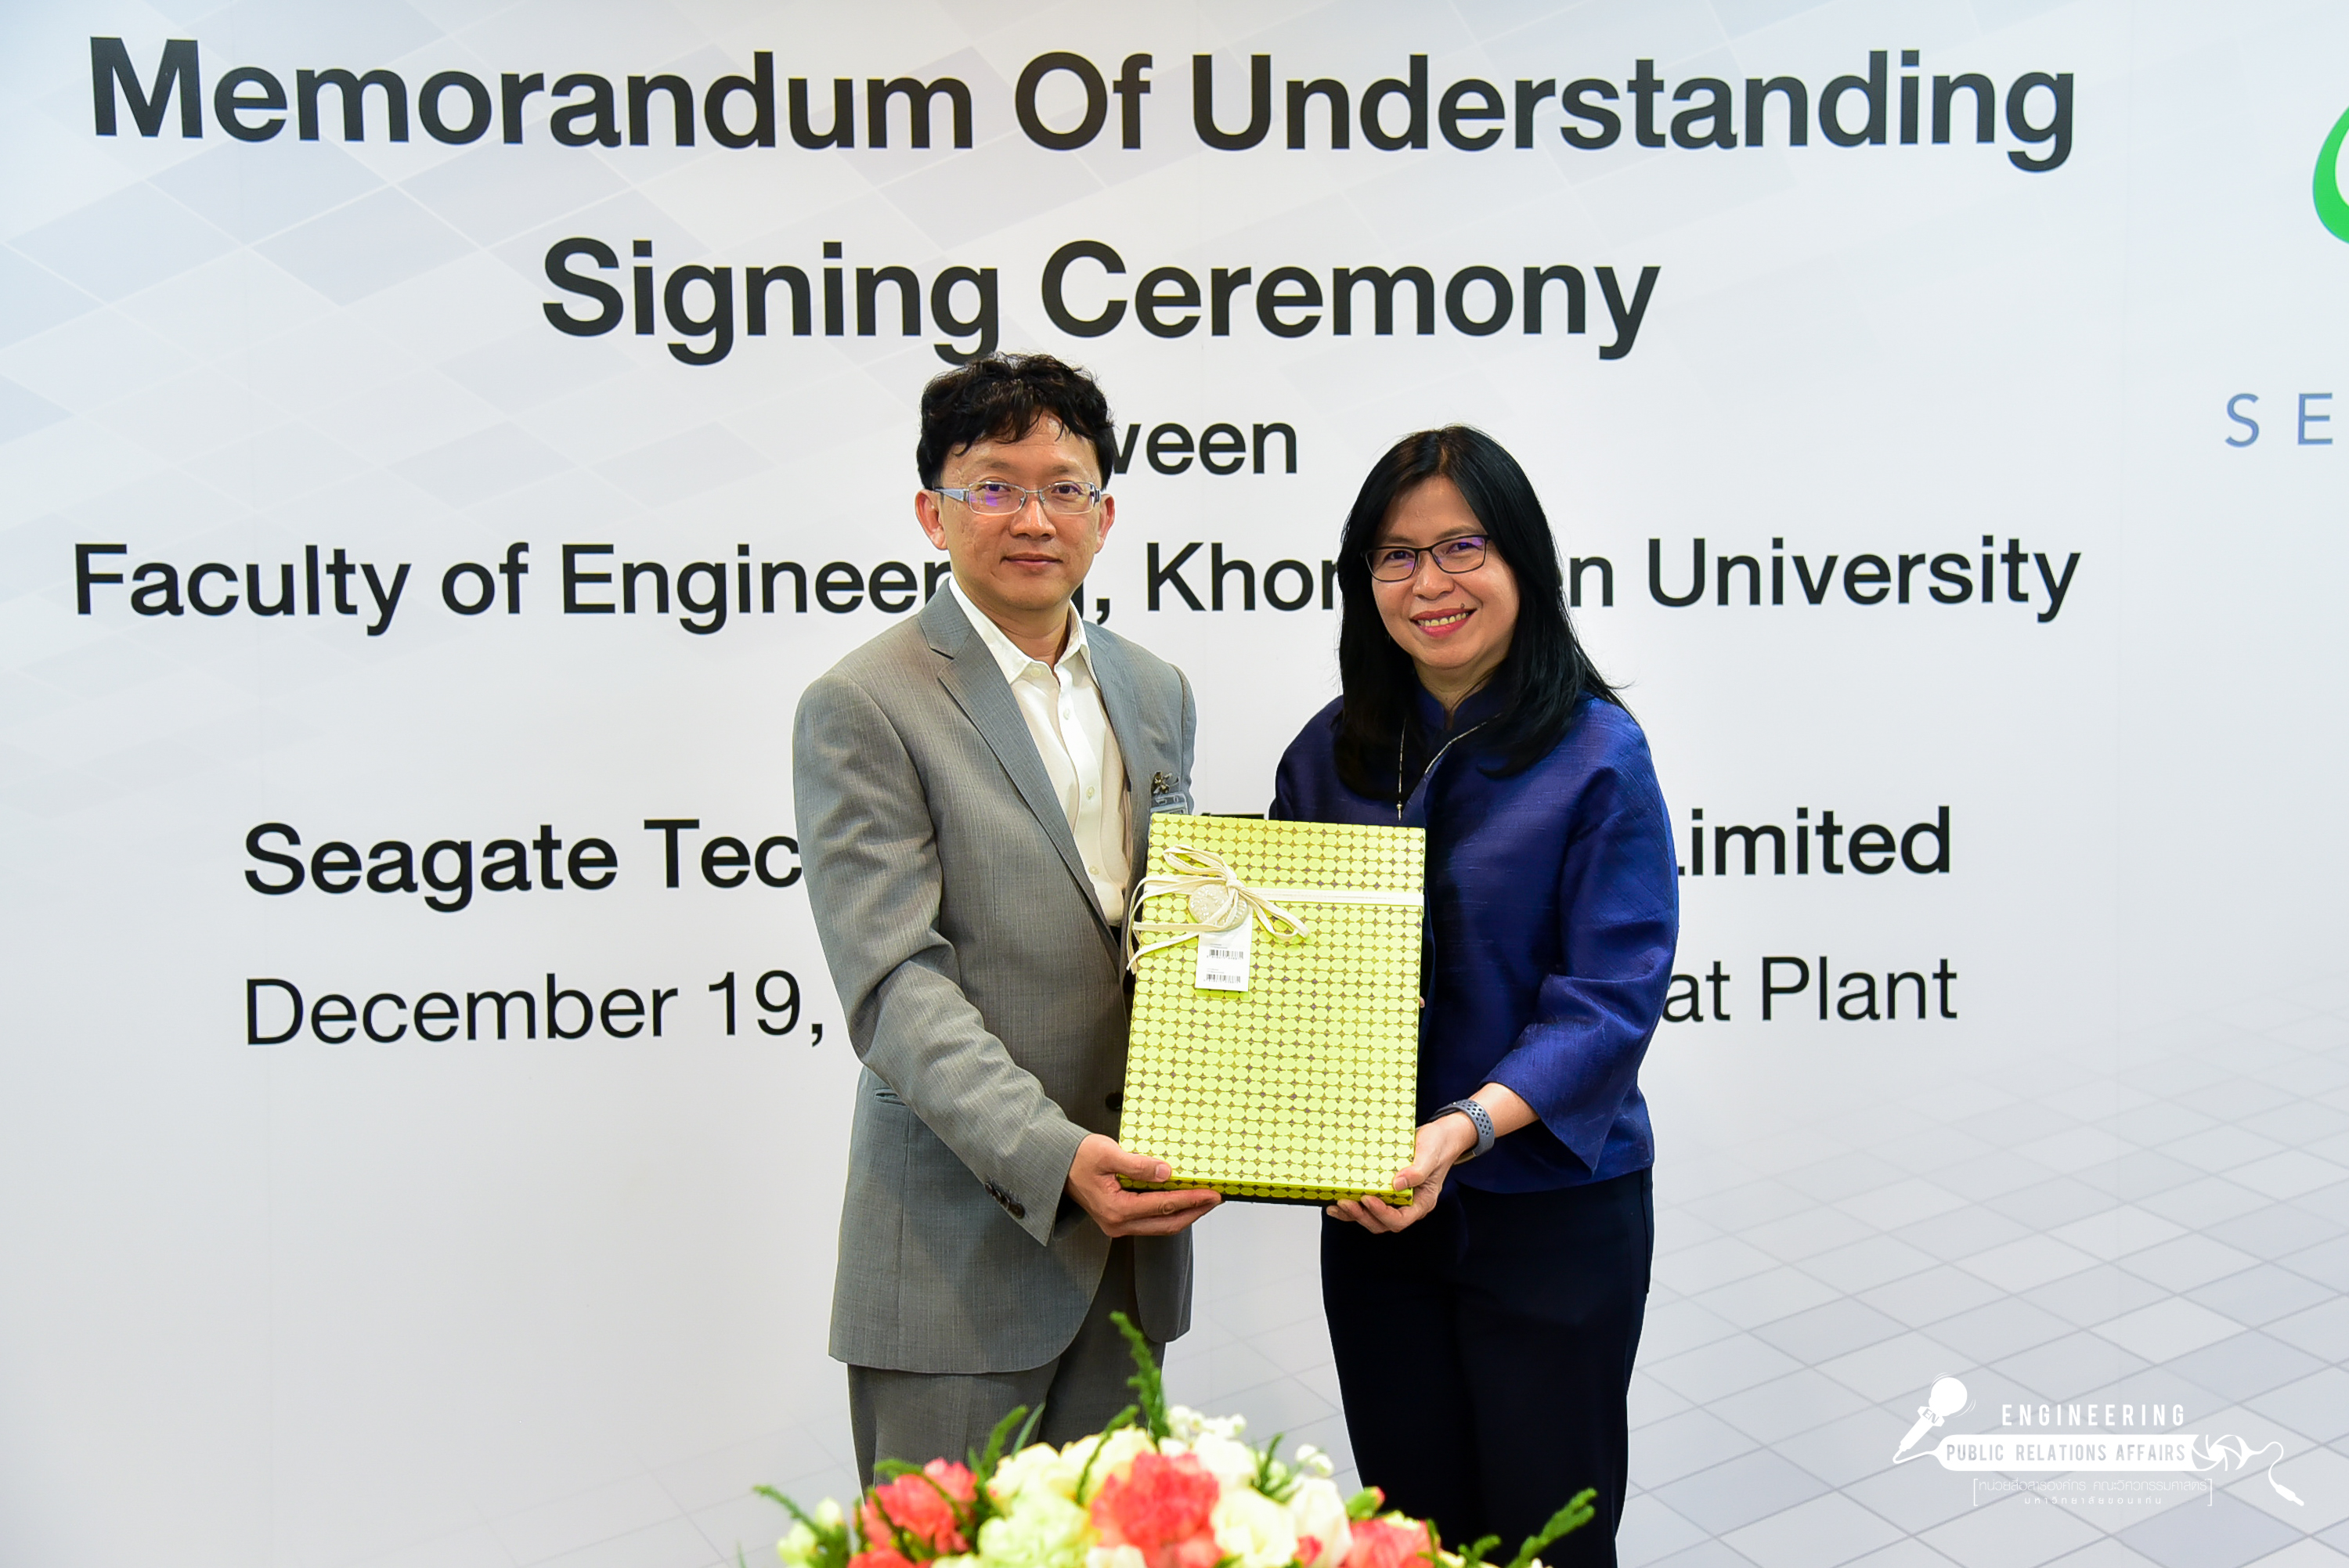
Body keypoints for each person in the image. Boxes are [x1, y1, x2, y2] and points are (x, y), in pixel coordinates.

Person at [794, 353, 1221, 1485]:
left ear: (1105, 516)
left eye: (1064, 487)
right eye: (994, 486)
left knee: (1117, 1554)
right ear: (931, 511)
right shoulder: (865, 702)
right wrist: (1055, 1156)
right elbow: (894, 984)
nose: (1033, 518)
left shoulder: (1157, 689)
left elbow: (1174, 934)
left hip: (1132, 1255)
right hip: (957, 1257)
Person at [1268, 427, 1676, 1565]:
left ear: (1522, 561)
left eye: (1462, 546)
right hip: (1376, 1215)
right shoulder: (1327, 757)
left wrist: (1458, 1130)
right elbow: (1292, 988)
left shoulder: (1598, 752)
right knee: (1411, 1540)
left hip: (1550, 1211)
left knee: (1550, 1544)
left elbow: (1609, 1001)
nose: (1429, 583)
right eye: (1396, 556)